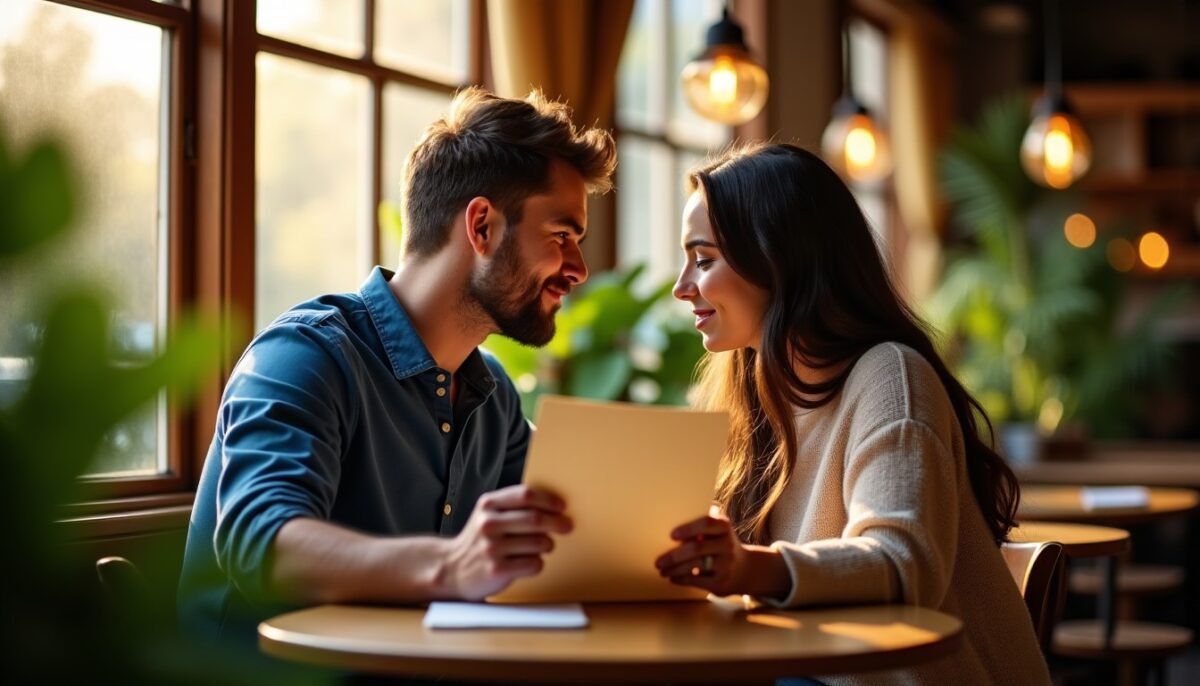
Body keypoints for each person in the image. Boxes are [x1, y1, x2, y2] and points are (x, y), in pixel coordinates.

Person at [178, 87, 617, 644]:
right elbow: (262, 544)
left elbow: (570, 534)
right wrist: (451, 565)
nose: (578, 269)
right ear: (482, 226)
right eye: (561, 236)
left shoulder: (494, 399)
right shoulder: (306, 356)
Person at [655, 143, 1051, 685]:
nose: (682, 287)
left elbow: (902, 563)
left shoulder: (891, 377)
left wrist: (750, 567)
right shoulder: (754, 394)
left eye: (703, 260)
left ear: (777, 258)